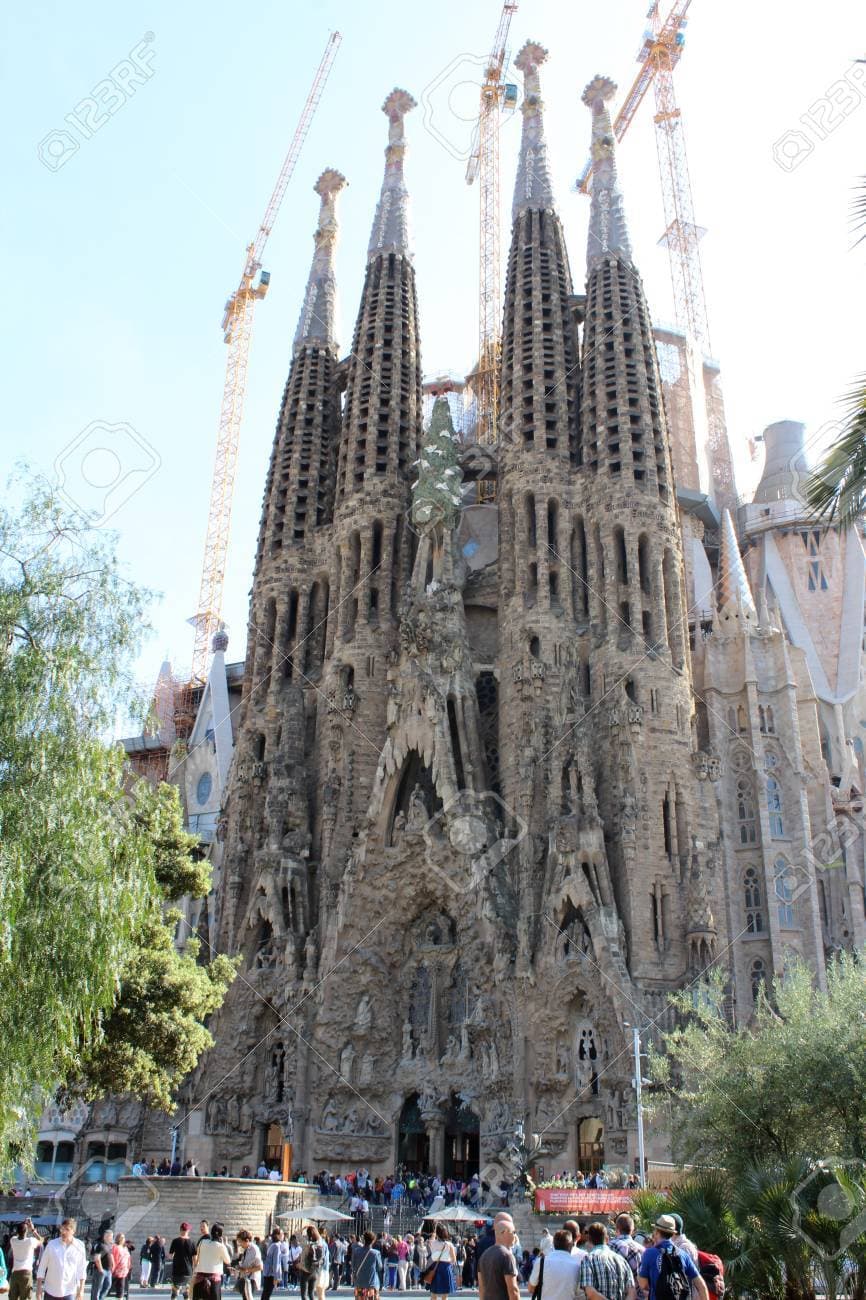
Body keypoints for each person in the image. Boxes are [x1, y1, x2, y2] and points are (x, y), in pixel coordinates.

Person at [638, 1217, 707, 1300]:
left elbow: (643, 1284)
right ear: (672, 1233)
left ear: (657, 1232)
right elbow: (701, 1285)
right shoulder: (683, 1255)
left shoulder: (649, 1253)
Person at [577, 1224, 634, 1300]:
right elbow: (632, 1293)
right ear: (607, 1239)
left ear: (589, 1240)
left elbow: (590, 1292)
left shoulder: (588, 1259)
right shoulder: (622, 1260)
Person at [36, 1219, 87, 1300]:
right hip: (51, 1291)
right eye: (62, 1229)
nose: (63, 1232)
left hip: (69, 1291)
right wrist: (39, 1289)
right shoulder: (52, 1244)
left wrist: (81, 1290)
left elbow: (82, 1270)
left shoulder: (80, 1246)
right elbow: (42, 1267)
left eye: (67, 1229)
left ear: (73, 1231)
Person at [528, 1229, 583, 1300]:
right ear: (570, 1245)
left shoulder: (541, 1262)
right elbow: (579, 1294)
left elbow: (530, 1288)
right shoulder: (577, 1267)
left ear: (553, 1244)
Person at [476, 1218, 517, 1300]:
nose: (515, 1236)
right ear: (504, 1232)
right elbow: (513, 1290)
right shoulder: (507, 1256)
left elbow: (481, 1288)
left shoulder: (484, 1255)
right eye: (513, 1232)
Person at [192, 1224, 232, 1300]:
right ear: (220, 1235)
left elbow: (197, 1254)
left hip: (200, 1279)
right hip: (214, 1281)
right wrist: (222, 1244)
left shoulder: (202, 1242)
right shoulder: (220, 1246)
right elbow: (228, 1261)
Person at [10, 1219, 43, 1300]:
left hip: (15, 1273)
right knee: (25, 1298)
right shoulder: (30, 1241)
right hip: (26, 1273)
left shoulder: (13, 1240)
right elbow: (41, 1240)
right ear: (26, 1231)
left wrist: (23, 1226)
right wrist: (33, 1230)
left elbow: (17, 1234)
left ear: (17, 1231)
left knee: (12, 1298)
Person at [610, 1215, 644, 1283]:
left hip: (615, 1291)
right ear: (632, 1230)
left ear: (617, 1229)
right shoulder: (642, 1250)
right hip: (637, 1291)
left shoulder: (609, 1247)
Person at [425, 1227, 456, 1300]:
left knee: (433, 1293)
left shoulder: (432, 1243)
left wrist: (435, 1231)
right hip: (446, 1268)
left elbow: (432, 1237)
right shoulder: (449, 1244)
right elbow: (454, 1259)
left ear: (437, 1234)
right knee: (445, 1294)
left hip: (435, 1267)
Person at [350, 1231, 382, 1300]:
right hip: (372, 1283)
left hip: (359, 1282)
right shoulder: (376, 1253)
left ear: (364, 1239)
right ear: (373, 1240)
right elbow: (379, 1267)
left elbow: (353, 1265)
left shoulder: (356, 1251)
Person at [169, 1224, 197, 1300]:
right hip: (188, 1271)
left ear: (180, 1230)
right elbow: (195, 1259)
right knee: (186, 1294)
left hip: (176, 1271)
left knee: (174, 1294)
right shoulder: (192, 1242)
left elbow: (170, 1256)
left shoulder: (175, 1241)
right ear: (188, 1231)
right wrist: (195, 1271)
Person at [298, 1228, 326, 1300]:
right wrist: (314, 1228)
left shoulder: (306, 1244)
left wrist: (303, 1228)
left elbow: (297, 1234)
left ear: (307, 1234)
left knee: (304, 1295)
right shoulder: (319, 1243)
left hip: (305, 1270)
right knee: (311, 1293)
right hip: (314, 1271)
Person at [235, 1232, 262, 1300]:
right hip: (246, 1278)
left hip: (251, 1279)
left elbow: (260, 1267)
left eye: (241, 1242)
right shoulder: (247, 1249)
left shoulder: (254, 1249)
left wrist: (246, 1270)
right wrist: (239, 1267)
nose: (240, 1244)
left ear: (246, 1240)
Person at [90, 1233, 114, 1300]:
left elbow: (110, 1255)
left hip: (108, 1270)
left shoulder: (109, 1245)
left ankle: (101, 1298)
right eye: (111, 1236)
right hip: (100, 1270)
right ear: (105, 1237)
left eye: (112, 1236)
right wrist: (101, 1270)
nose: (112, 1238)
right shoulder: (100, 1245)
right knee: (97, 1288)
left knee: (107, 1286)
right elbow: (97, 1258)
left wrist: (113, 1264)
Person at [262, 1231, 283, 1300]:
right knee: (267, 1294)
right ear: (278, 1235)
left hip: (267, 1272)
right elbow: (276, 1263)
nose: (283, 1235)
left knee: (265, 1294)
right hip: (271, 1273)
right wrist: (276, 1277)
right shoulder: (276, 1246)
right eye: (281, 1234)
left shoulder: (272, 1244)